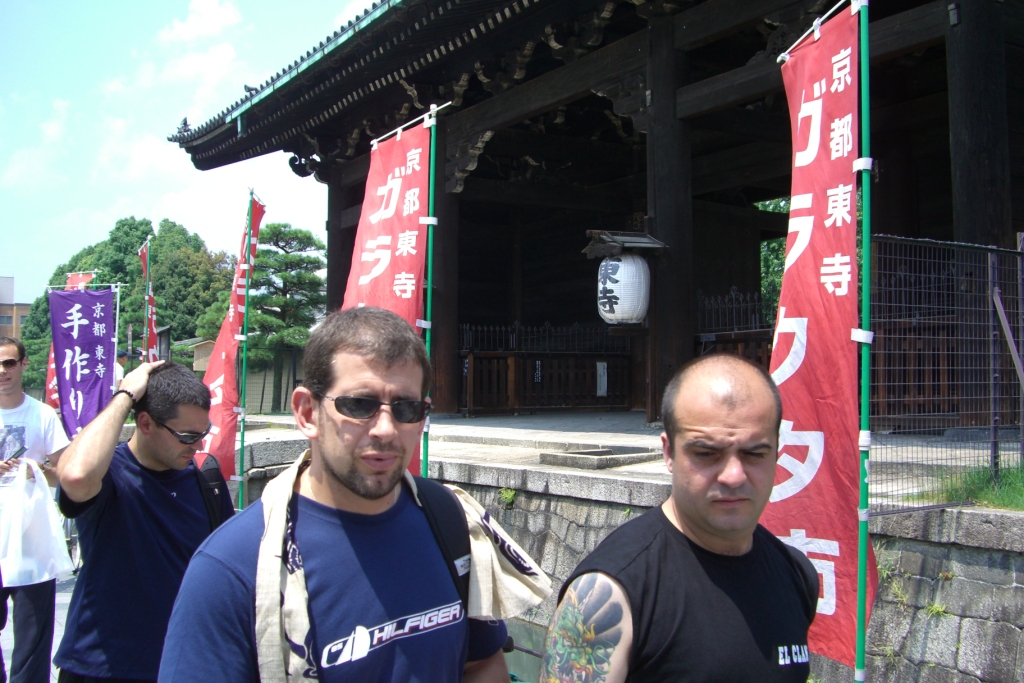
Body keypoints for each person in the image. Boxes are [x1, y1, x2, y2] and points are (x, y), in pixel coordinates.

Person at [159, 307, 512, 683]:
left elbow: (483, 663)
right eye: (359, 405)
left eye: (407, 408)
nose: (386, 429)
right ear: (308, 412)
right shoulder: (231, 569)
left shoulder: (449, 520)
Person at [541, 354, 819, 683]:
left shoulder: (797, 574)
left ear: (777, 452)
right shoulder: (608, 595)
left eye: (754, 454)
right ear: (669, 452)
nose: (733, 475)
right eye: (706, 453)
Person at [54, 361, 234, 683]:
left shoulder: (206, 480)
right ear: (146, 423)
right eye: (187, 436)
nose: (198, 445)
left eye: (204, 433)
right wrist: (125, 395)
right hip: (100, 667)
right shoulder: (110, 474)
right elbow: (75, 475)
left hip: (180, 664)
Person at [0, 337, 70, 683]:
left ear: (24, 364)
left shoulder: (43, 414)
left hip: (33, 543)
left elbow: (66, 475)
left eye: (9, 363)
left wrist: (40, 471)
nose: (2, 371)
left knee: (33, 638)